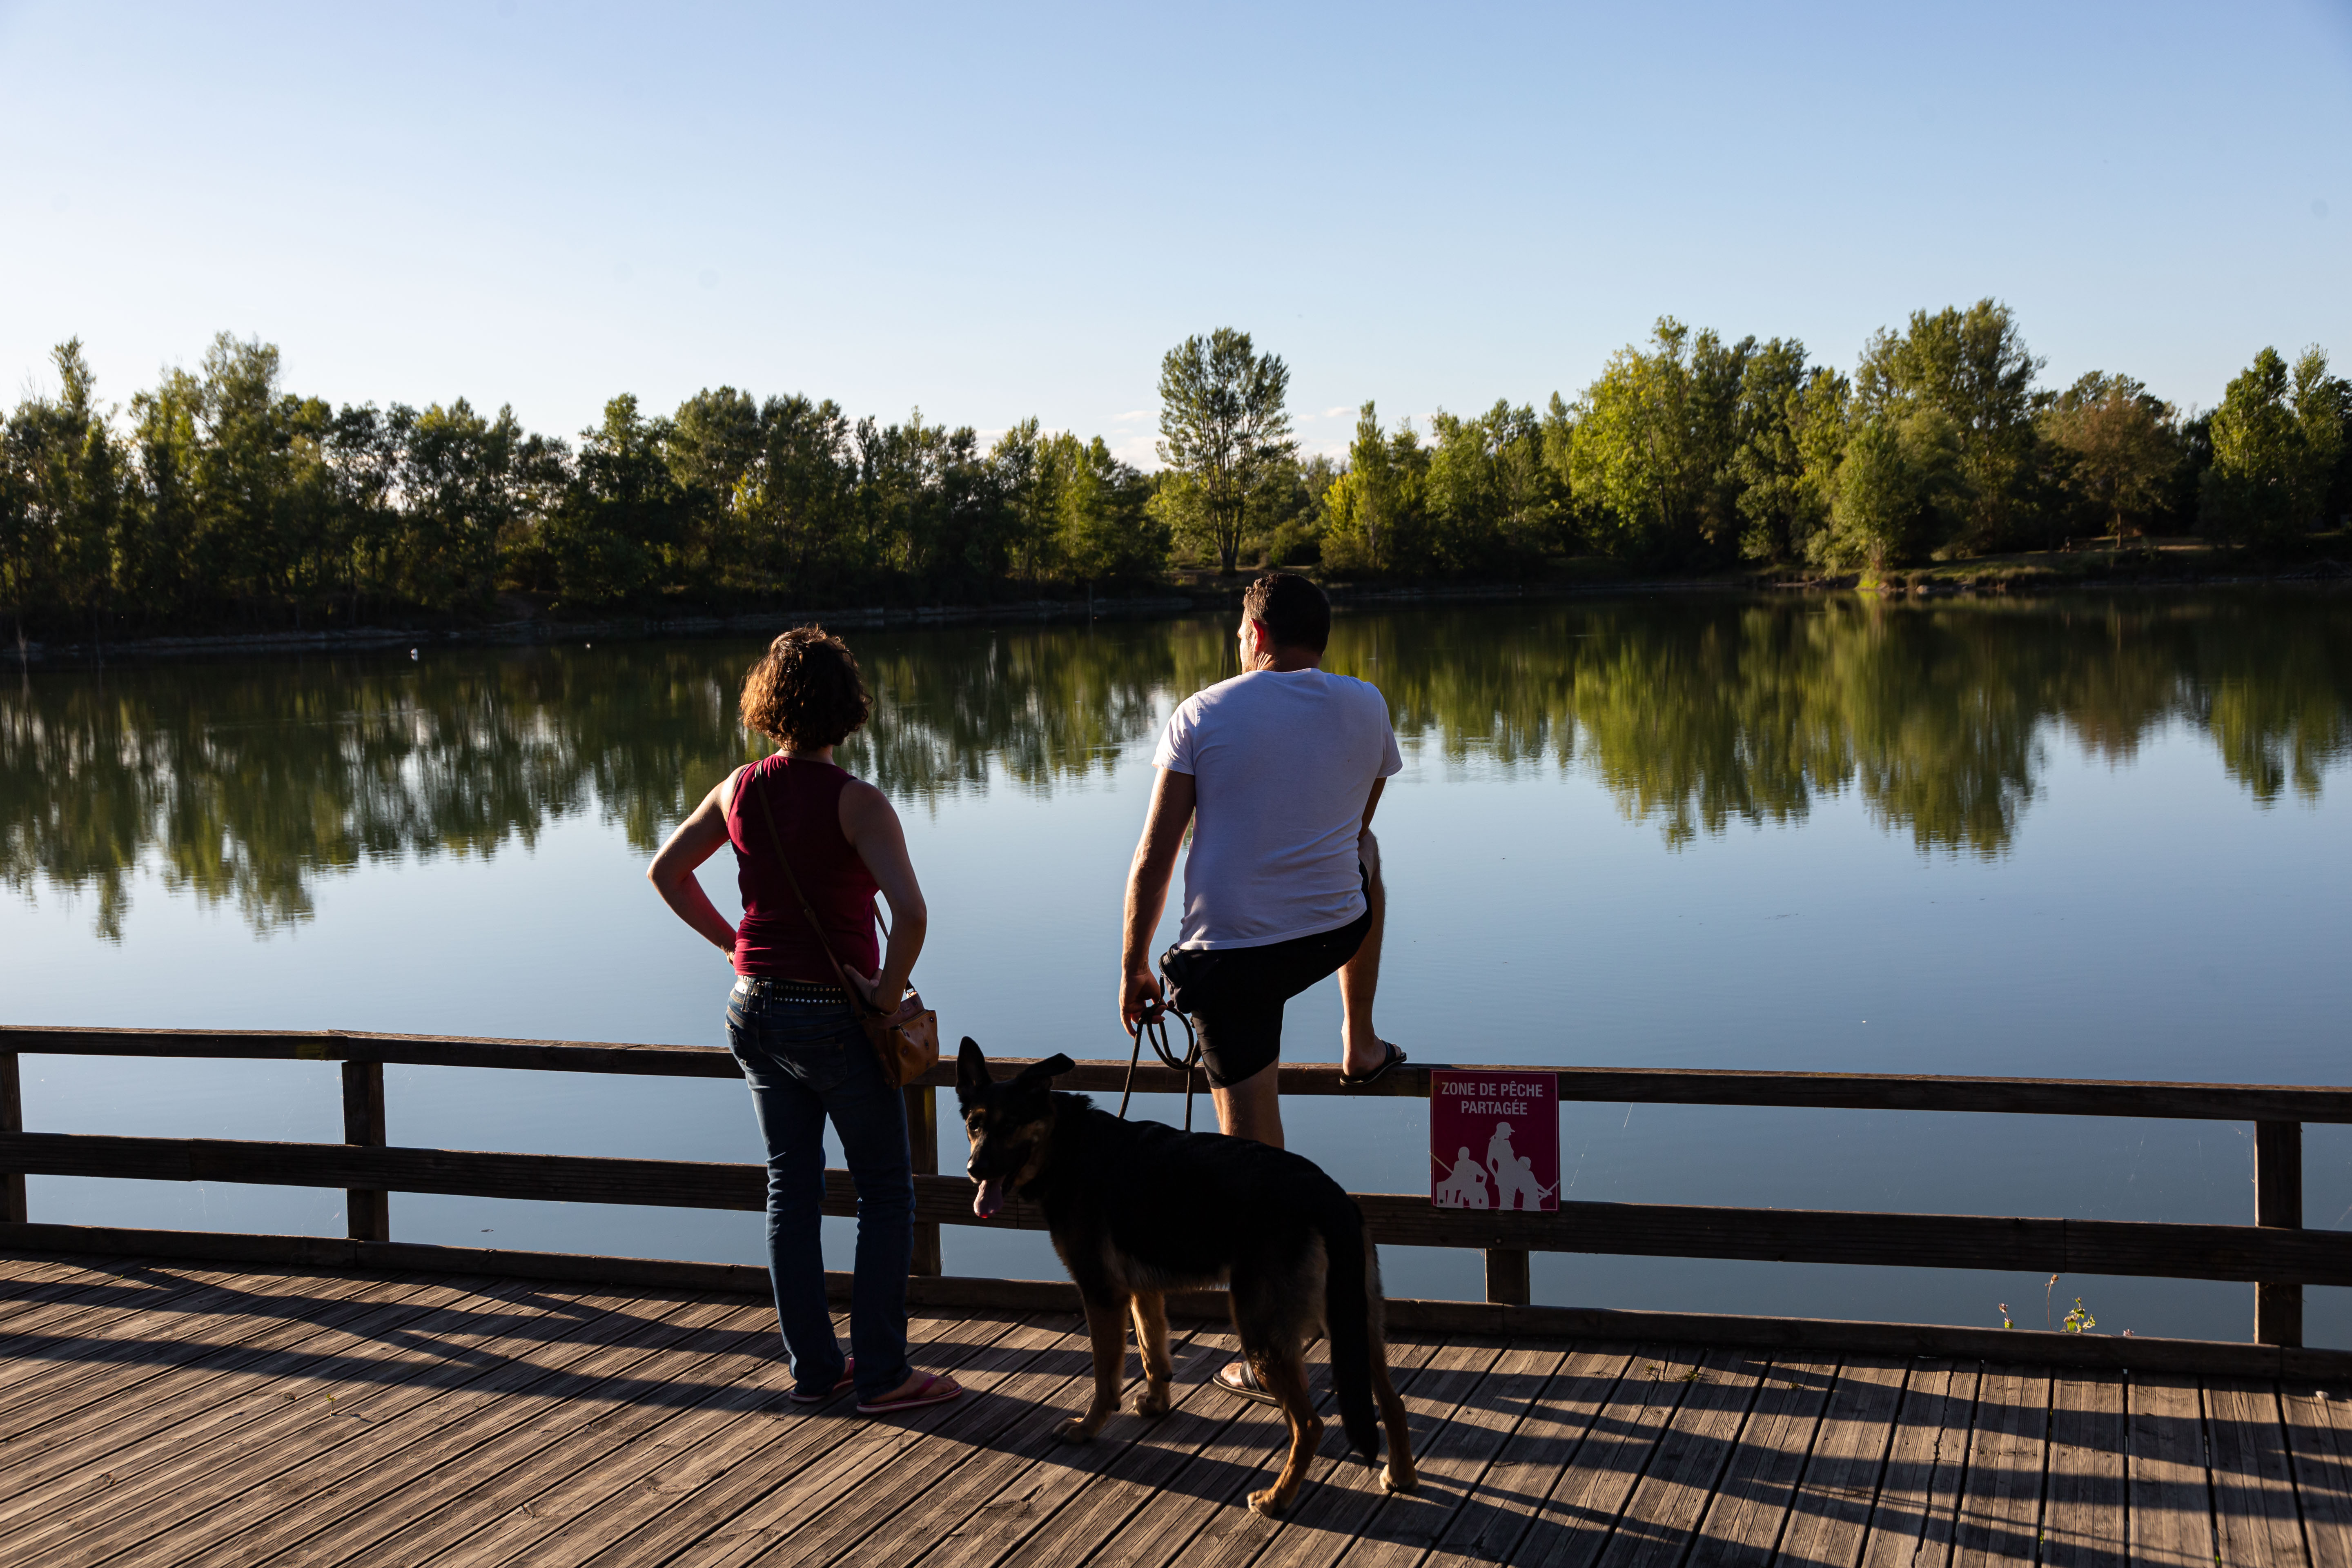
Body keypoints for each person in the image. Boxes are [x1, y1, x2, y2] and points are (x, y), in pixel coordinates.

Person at [648, 626, 960, 1416]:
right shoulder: (860, 803)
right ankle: (883, 1374)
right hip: (833, 1016)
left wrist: (733, 945)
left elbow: (667, 872)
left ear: (769, 705)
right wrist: (884, 997)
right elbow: (913, 914)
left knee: (791, 1187)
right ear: (847, 708)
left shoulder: (739, 789)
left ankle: (817, 1370)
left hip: (753, 1010)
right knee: (886, 1192)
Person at [1118, 570, 1406, 1150]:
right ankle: (1360, 1041)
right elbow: (1355, 827)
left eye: (1239, 637)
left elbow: (1155, 857)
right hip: (1332, 933)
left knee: (1251, 1153)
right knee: (1366, 850)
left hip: (1229, 961)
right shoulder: (1368, 703)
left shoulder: (1200, 713)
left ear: (1256, 633)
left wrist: (1134, 966)